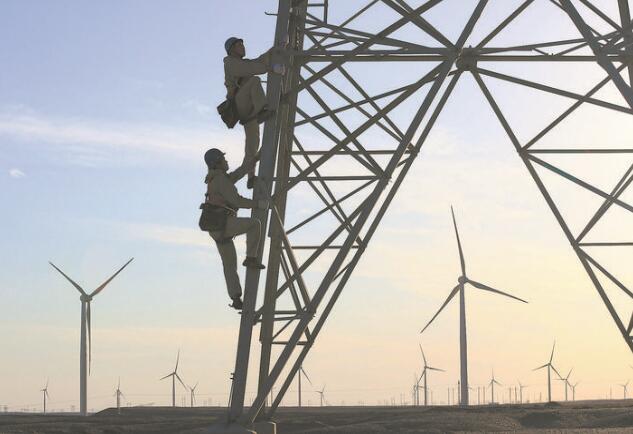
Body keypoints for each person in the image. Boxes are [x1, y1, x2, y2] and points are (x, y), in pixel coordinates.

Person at [202, 148, 269, 310]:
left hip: (216, 227)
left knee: (229, 264)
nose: (226, 162)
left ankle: (236, 298)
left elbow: (239, 173)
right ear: (217, 163)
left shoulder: (217, 178)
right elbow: (237, 201)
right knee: (254, 224)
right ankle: (251, 257)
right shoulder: (221, 180)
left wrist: (255, 159)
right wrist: (257, 204)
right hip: (223, 224)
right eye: (223, 160)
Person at [223, 37, 283, 189]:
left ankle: (248, 177)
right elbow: (253, 68)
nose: (243, 47)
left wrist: (273, 51)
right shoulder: (230, 63)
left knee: (252, 147)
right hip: (242, 102)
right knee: (255, 81)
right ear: (231, 49)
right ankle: (262, 110)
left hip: (249, 109)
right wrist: (271, 68)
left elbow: (257, 62)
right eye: (239, 45)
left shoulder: (240, 63)